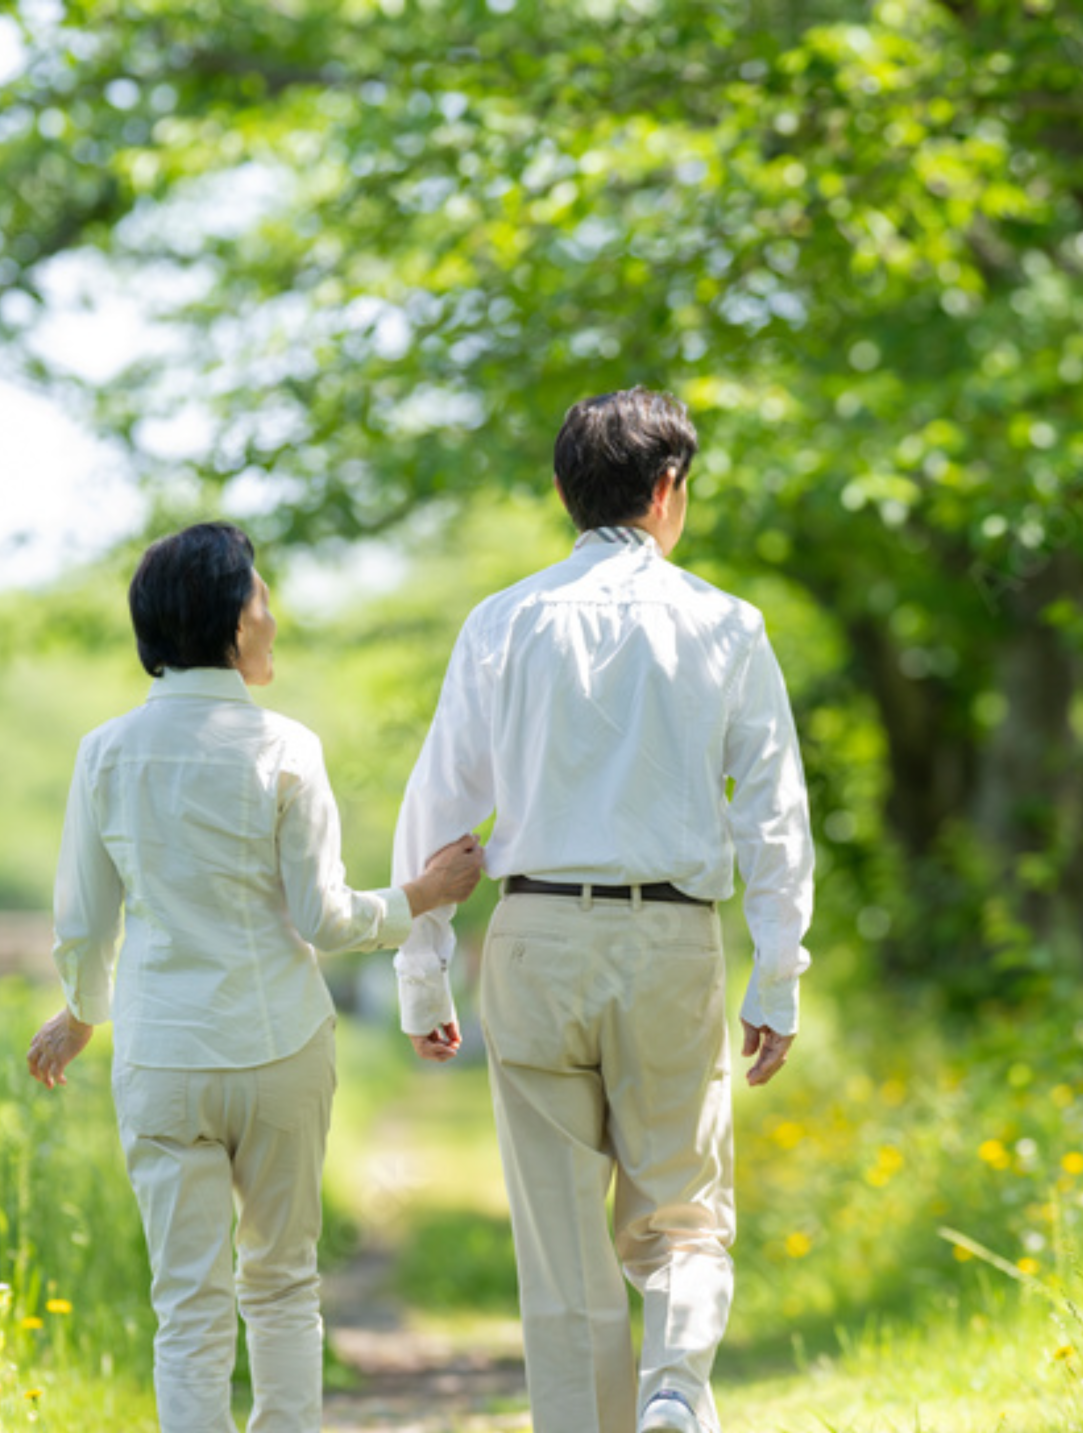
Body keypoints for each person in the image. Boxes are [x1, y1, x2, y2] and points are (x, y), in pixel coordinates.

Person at [391, 388, 814, 1433]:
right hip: (669, 939)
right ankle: (675, 1383)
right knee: (684, 1213)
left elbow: (438, 807)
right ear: (668, 489)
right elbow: (773, 813)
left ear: (561, 490)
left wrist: (421, 969)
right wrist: (777, 971)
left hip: (533, 936)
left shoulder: (502, 621)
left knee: (562, 1240)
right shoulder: (727, 624)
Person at [26, 521, 483, 1433]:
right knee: (280, 1285)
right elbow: (322, 919)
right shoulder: (286, 747)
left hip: (162, 1054)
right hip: (278, 1044)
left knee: (187, 1306)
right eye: (263, 596)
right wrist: (421, 896)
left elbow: (83, 923)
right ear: (236, 620)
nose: (273, 615)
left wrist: (80, 1016)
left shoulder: (105, 752)